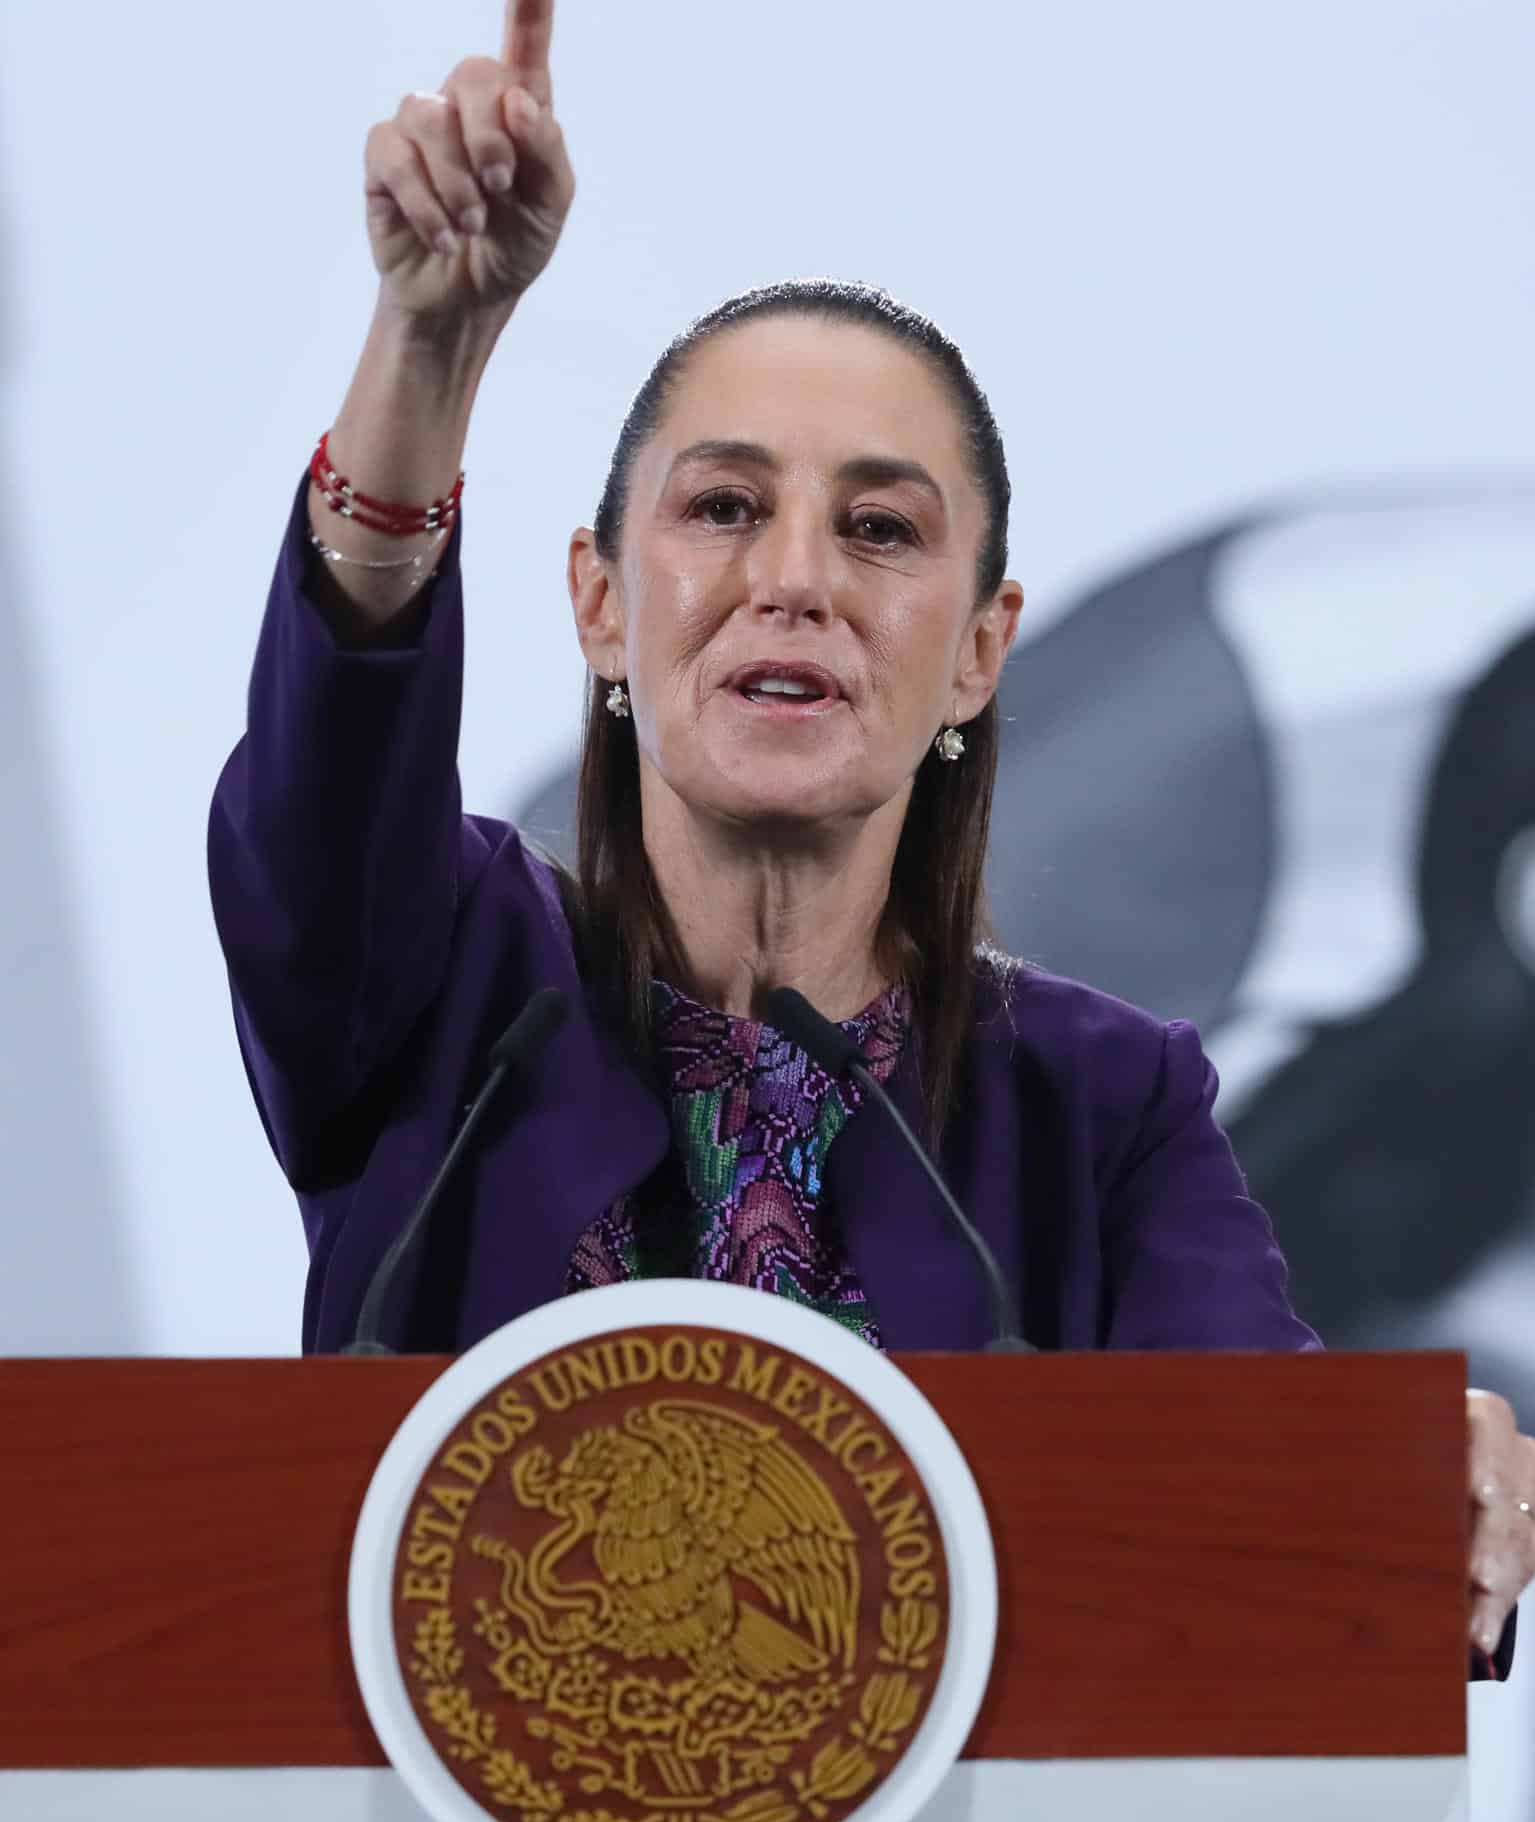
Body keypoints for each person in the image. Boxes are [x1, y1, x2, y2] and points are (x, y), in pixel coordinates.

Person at [207, 0, 1532, 1672]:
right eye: (725, 508)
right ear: (601, 605)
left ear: (980, 648)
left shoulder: (1100, 1111)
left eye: (882, 529)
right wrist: (432, 342)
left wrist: (1409, 1478)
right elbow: (325, 786)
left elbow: (1265, 1478)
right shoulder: (444, 990)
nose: (799, 579)